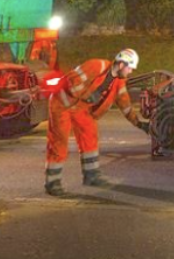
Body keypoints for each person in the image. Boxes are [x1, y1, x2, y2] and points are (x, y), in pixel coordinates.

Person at [44, 48, 148, 196]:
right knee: (59, 141)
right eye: (130, 68)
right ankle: (52, 182)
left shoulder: (119, 82)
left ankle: (91, 175)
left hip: (80, 108)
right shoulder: (96, 65)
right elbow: (73, 80)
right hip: (61, 104)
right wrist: (87, 95)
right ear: (121, 65)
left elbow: (125, 105)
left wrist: (139, 123)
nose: (130, 71)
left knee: (90, 137)